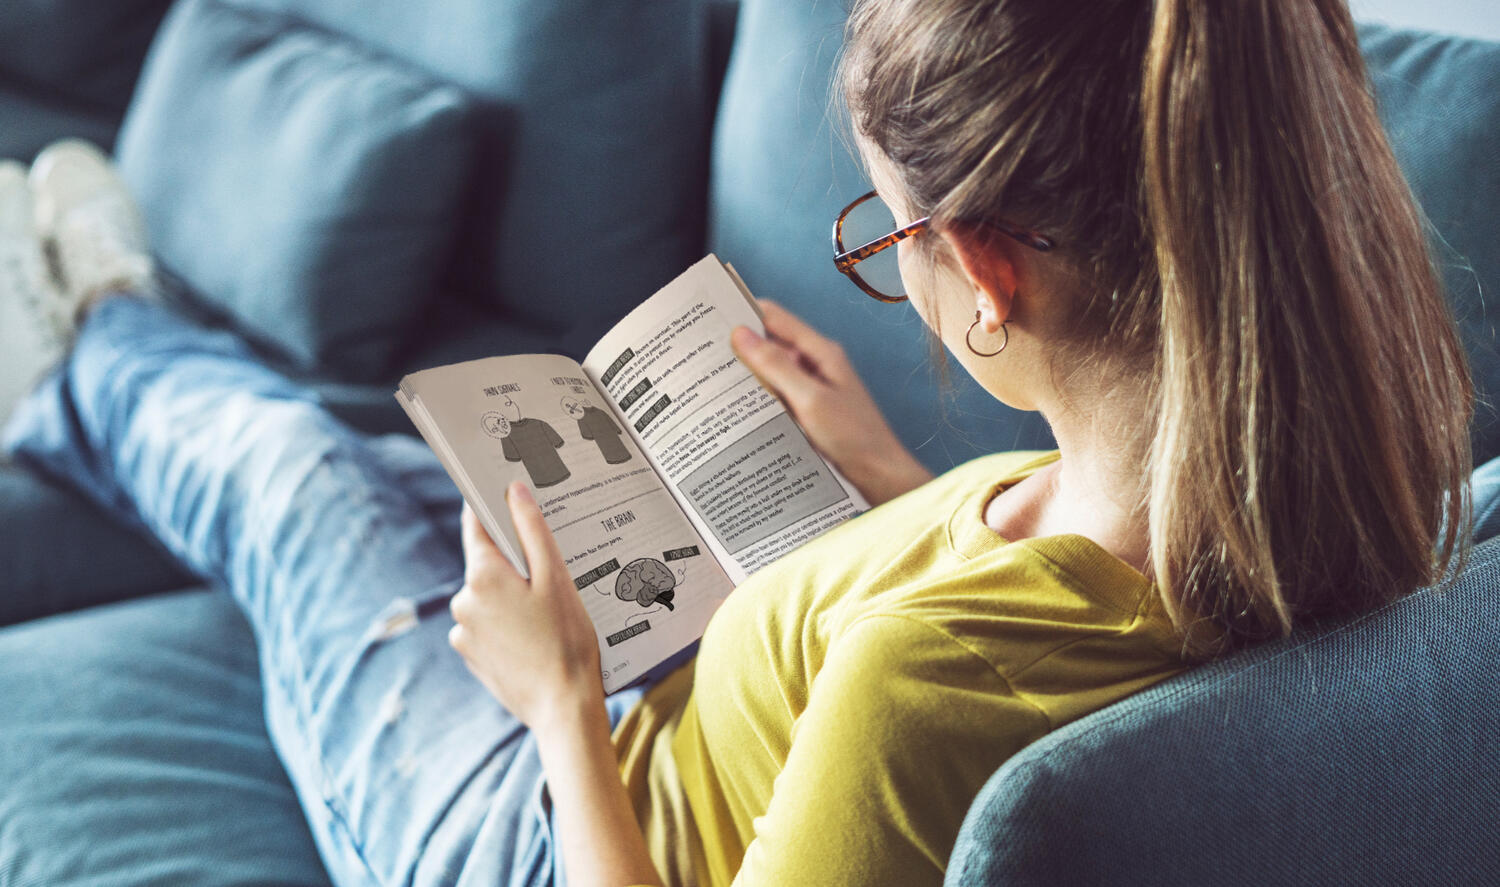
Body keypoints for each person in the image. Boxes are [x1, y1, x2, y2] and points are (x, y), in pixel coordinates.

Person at [0, 1, 1474, 885]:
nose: (887, 262)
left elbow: (952, 684)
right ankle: (109, 328)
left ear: (988, 277)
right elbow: (1032, 633)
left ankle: (84, 341)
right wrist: (891, 481)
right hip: (681, 722)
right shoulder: (1352, 489)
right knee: (389, 469)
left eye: (884, 233)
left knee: (293, 478)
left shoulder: (920, 693)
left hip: (552, 827)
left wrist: (562, 701)